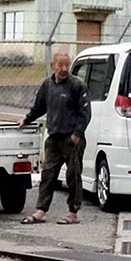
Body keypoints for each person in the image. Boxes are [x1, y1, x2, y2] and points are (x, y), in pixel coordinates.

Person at [19, 51, 91, 225]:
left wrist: (77, 134)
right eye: (60, 65)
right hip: (53, 139)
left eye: (67, 65)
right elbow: (39, 107)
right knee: (48, 175)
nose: (64, 69)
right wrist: (26, 119)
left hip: (71, 140)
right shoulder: (48, 85)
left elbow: (85, 113)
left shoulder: (77, 85)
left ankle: (73, 212)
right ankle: (41, 210)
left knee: (73, 176)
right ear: (53, 65)